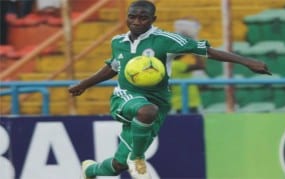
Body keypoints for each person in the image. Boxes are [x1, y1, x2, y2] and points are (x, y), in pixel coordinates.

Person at [68, 1, 271, 179]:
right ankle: (138, 159)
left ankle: (90, 170)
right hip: (124, 97)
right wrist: (84, 84)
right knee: (146, 112)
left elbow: (206, 51)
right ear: (127, 17)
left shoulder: (167, 40)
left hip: (157, 101)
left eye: (143, 18)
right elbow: (113, 67)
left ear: (153, 19)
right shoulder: (117, 42)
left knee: (119, 165)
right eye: (132, 17)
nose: (137, 22)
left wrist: (247, 61)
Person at [171, 18, 206, 114]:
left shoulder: (172, 64)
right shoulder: (176, 65)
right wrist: (195, 47)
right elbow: (200, 65)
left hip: (182, 102)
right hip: (186, 102)